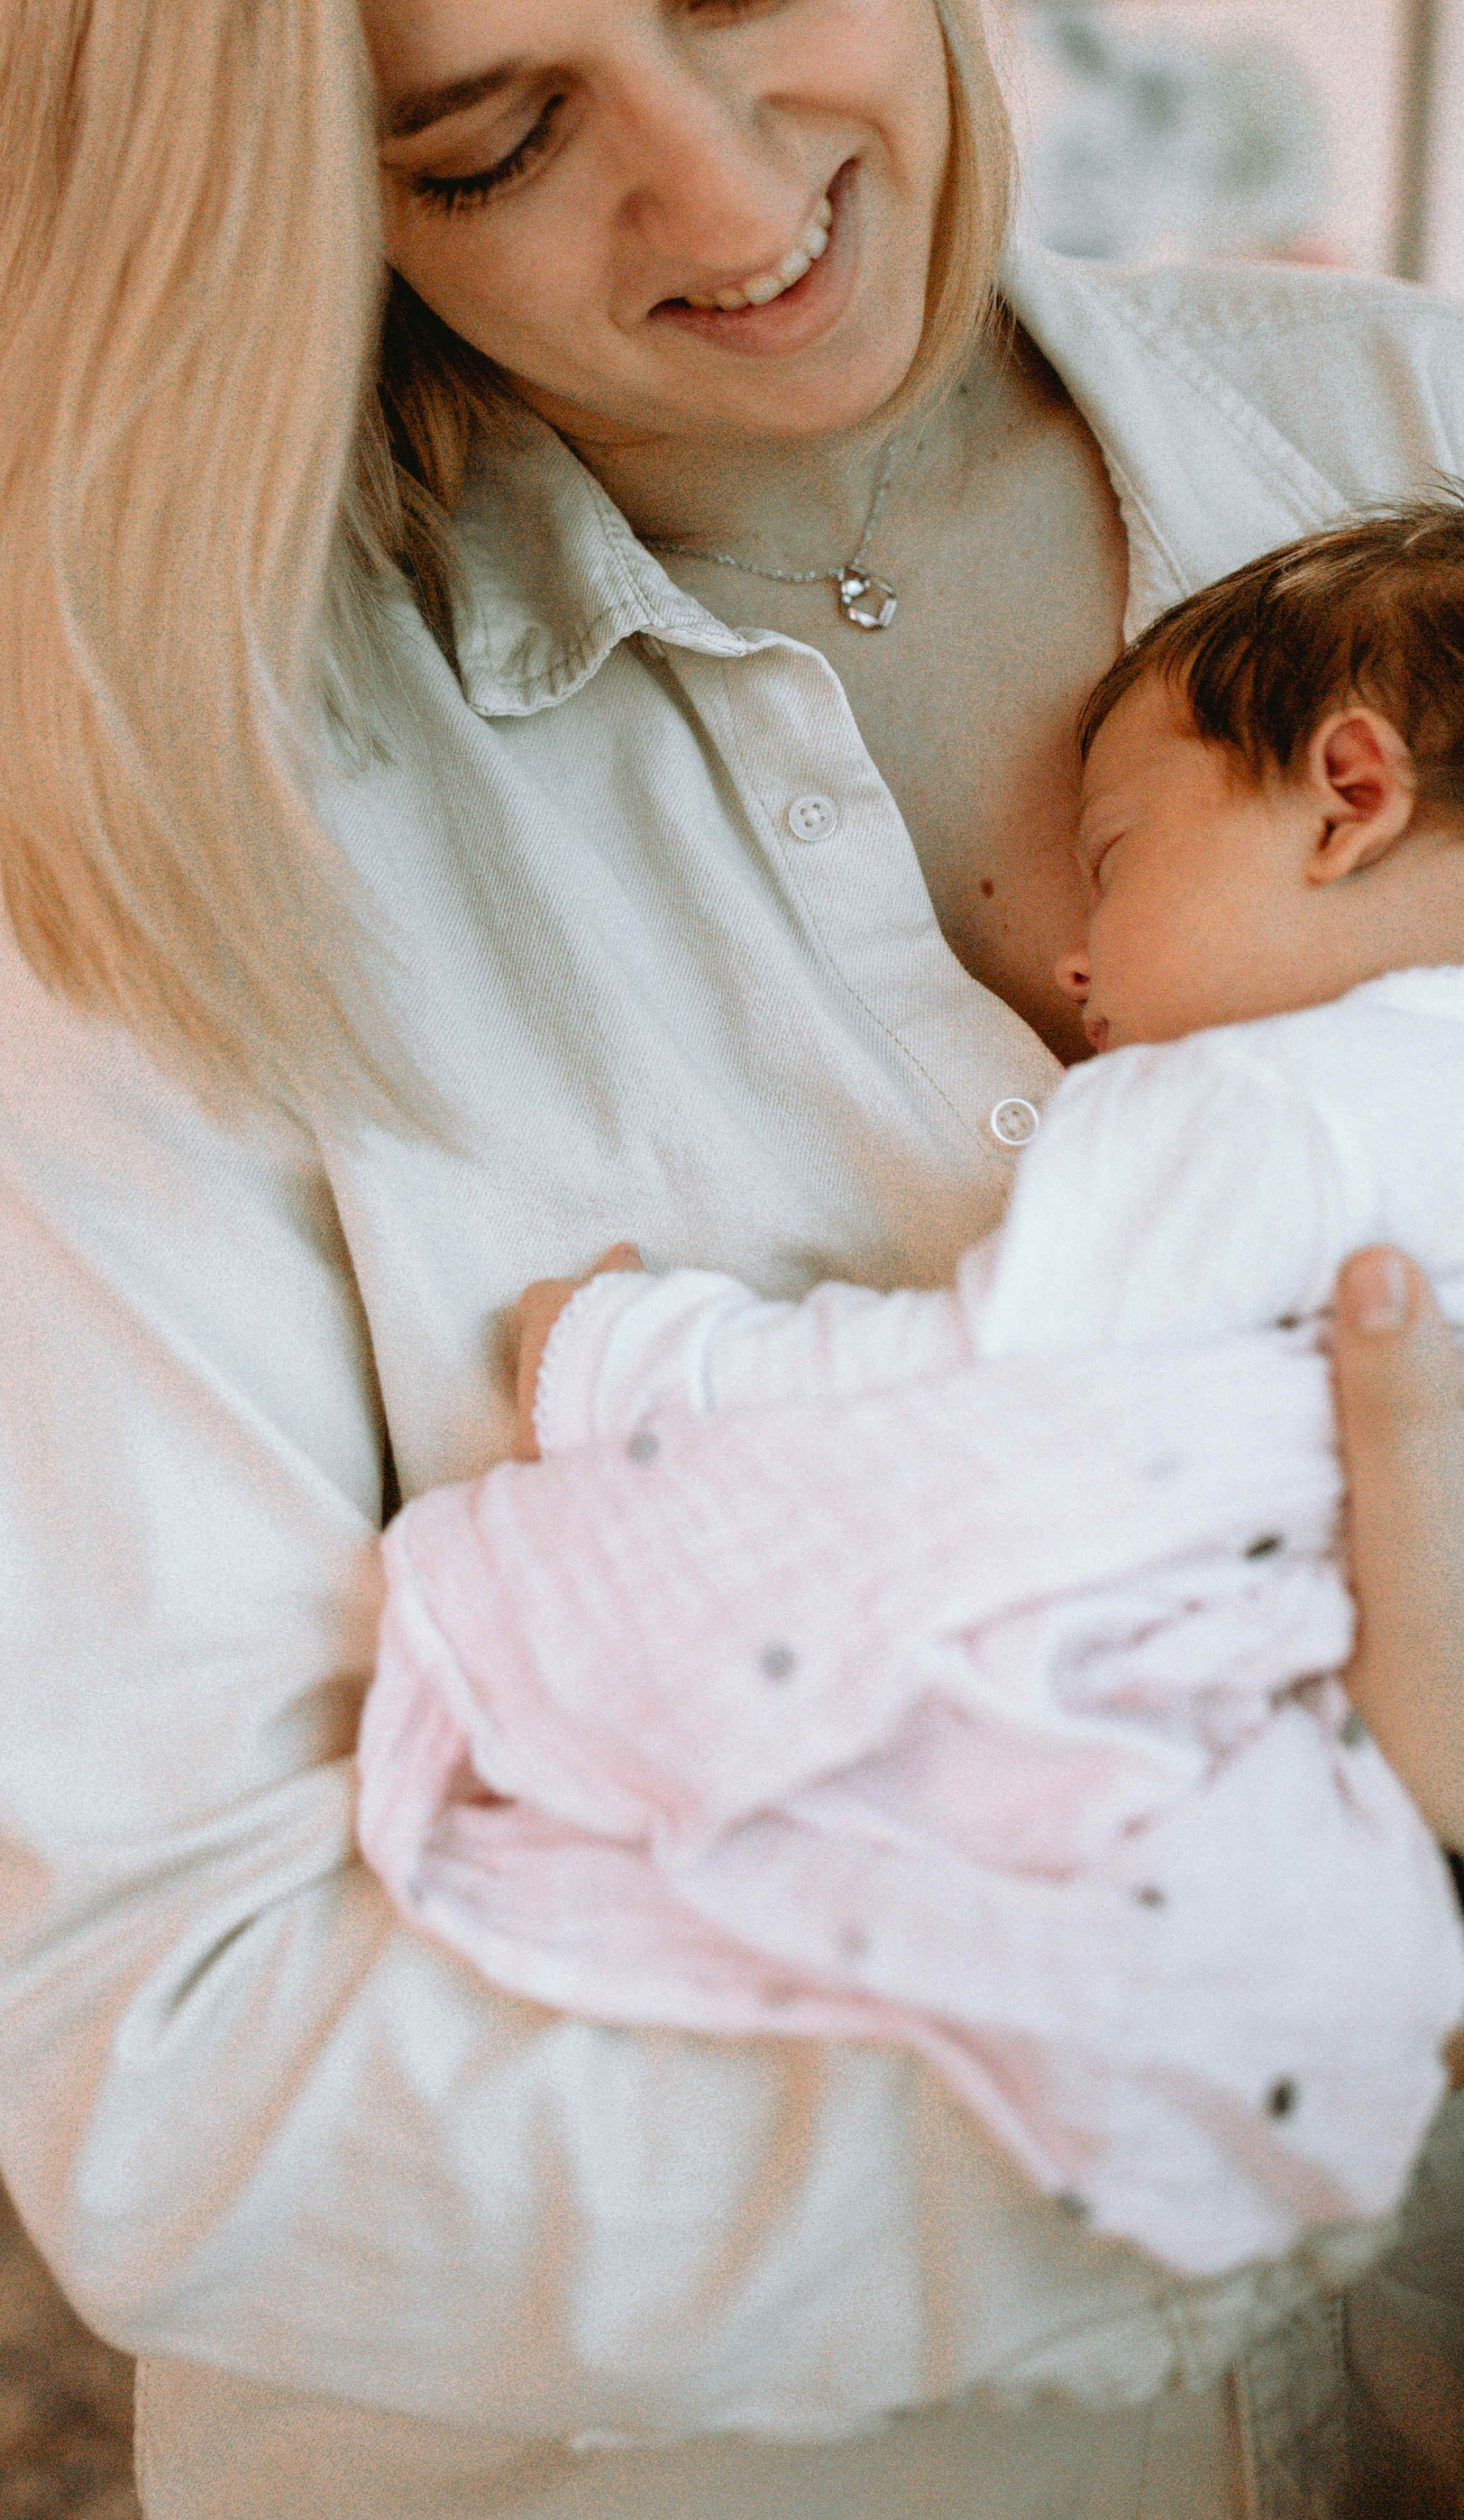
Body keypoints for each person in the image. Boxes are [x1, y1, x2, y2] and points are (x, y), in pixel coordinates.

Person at [0, 0, 1464, 2516]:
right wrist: (1297, 2011)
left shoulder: (1425, 457)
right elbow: (169, 2065)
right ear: (288, 185)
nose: (730, 196)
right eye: (484, 134)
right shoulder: (187, 816)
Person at [359, 505, 1464, 2292]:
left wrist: (625, 1355)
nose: (1075, 960)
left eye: (1111, 860)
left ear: (1344, 794)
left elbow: (972, 1392)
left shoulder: (1263, 1104)